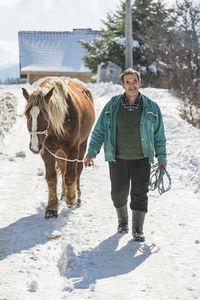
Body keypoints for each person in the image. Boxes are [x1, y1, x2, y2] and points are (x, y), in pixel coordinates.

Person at [84, 68, 167, 242]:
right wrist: (91, 153)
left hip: (142, 159)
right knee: (118, 193)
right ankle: (123, 221)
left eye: (134, 81)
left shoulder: (151, 107)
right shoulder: (112, 106)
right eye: (127, 82)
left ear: (140, 83)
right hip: (117, 158)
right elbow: (99, 131)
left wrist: (162, 158)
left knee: (140, 193)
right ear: (122, 85)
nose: (131, 85)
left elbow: (159, 135)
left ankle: (138, 229)